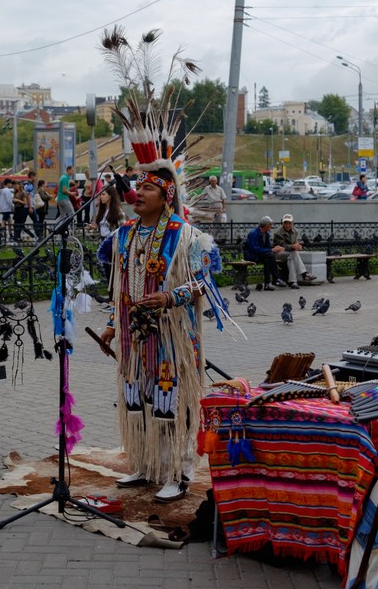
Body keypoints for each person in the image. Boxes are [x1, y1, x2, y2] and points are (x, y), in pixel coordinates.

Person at [99, 167, 218, 503]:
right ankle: (147, 465)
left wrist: (170, 297)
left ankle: (179, 474)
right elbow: (119, 287)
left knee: (172, 404)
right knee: (139, 401)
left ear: (166, 196)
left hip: (172, 337)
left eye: (148, 188)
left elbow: (203, 282)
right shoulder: (124, 235)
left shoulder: (187, 236)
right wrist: (111, 323)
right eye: (138, 187)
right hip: (134, 338)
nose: (138, 193)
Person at [88, 187, 125, 294]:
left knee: (114, 274)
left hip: (113, 245)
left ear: (110, 196)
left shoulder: (118, 212)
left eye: (103, 194)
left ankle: (115, 300)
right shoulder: (104, 211)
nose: (101, 197)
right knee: (108, 274)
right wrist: (95, 227)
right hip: (104, 244)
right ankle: (110, 300)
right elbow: (103, 228)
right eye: (100, 194)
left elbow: (123, 230)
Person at [272, 213, 316, 289]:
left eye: (289, 223)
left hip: (290, 253)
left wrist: (298, 246)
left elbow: (295, 244)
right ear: (283, 223)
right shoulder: (278, 233)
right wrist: (293, 246)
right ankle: (304, 273)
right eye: (285, 223)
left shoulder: (295, 231)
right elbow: (283, 247)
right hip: (278, 253)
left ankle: (293, 281)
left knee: (292, 255)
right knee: (292, 253)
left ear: (293, 223)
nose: (287, 225)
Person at [244, 216, 288, 291]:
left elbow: (267, 247)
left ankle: (268, 284)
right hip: (252, 256)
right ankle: (276, 278)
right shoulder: (253, 233)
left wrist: (275, 248)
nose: (271, 226)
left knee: (268, 259)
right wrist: (272, 250)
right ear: (266, 226)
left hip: (262, 255)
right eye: (270, 225)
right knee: (270, 255)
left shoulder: (266, 234)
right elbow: (255, 249)